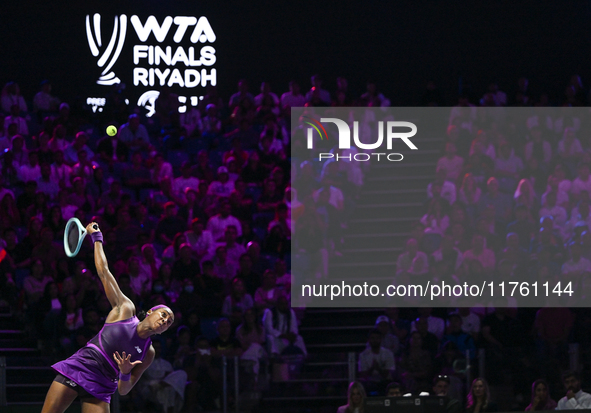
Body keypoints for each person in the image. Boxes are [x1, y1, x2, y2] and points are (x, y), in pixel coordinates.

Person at [41, 222, 175, 413]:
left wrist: (126, 372)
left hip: (104, 383)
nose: (165, 321)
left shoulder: (148, 352)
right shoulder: (125, 309)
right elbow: (104, 272)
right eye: (164, 314)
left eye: (168, 322)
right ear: (151, 311)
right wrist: (97, 239)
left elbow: (123, 390)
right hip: (82, 366)